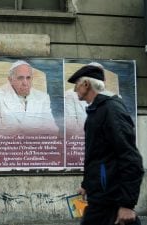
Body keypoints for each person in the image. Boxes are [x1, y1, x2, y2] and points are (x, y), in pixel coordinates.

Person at [68, 63, 144, 225]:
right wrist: (87, 184)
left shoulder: (111, 110)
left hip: (111, 200)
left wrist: (126, 205)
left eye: (77, 85)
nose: (75, 90)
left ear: (86, 84)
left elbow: (131, 158)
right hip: (101, 198)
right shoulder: (97, 110)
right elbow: (98, 156)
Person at [0, 60, 59, 135]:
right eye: (20, 78)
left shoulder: (42, 97)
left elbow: (53, 130)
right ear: (10, 80)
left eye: (28, 78)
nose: (25, 83)